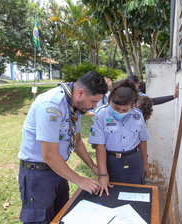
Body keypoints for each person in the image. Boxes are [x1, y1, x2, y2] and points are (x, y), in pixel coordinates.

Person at [18, 71, 108, 223]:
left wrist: (94, 168)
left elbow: (77, 142)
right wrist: (80, 180)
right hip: (38, 174)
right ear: (80, 92)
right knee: (40, 220)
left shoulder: (75, 106)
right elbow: (49, 156)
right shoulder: (51, 104)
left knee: (61, 216)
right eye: (93, 102)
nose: (93, 107)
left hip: (59, 171)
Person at [88, 79, 149, 197]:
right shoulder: (101, 114)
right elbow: (100, 146)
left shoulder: (137, 115)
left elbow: (143, 140)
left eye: (124, 109)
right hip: (112, 163)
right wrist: (103, 175)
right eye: (116, 108)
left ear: (133, 105)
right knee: (112, 197)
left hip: (134, 162)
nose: (120, 112)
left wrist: (144, 164)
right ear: (110, 100)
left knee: (136, 196)